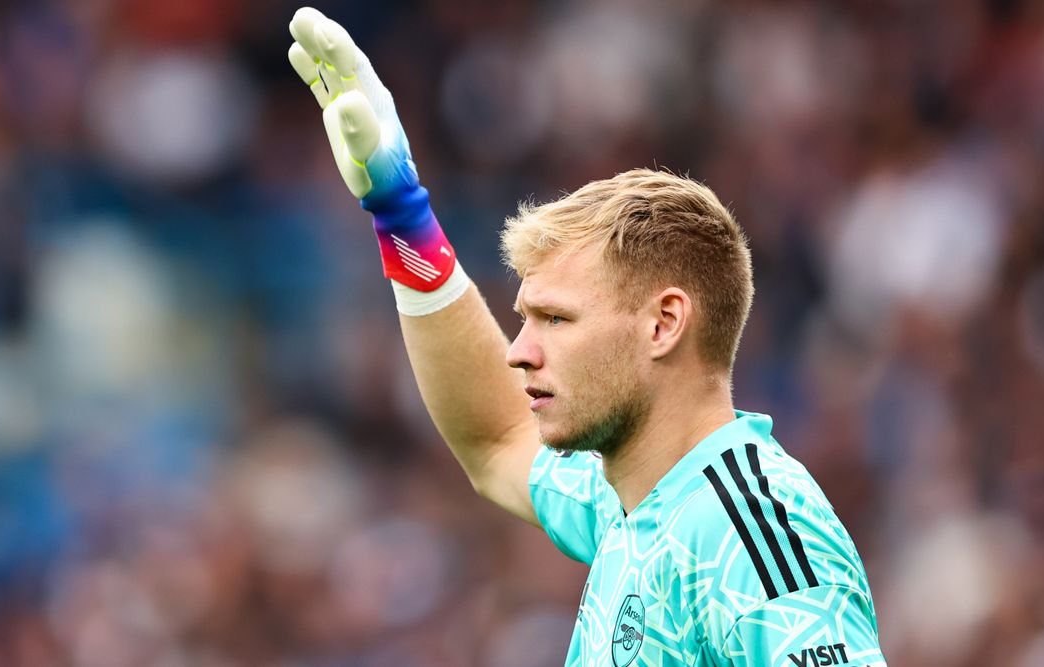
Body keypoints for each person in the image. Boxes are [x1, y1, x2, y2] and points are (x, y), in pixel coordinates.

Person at [288, 7, 887, 666]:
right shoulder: (629, 495)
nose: (520, 349)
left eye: (556, 319)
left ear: (663, 324)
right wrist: (400, 210)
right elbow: (496, 438)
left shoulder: (750, 533)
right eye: (526, 319)